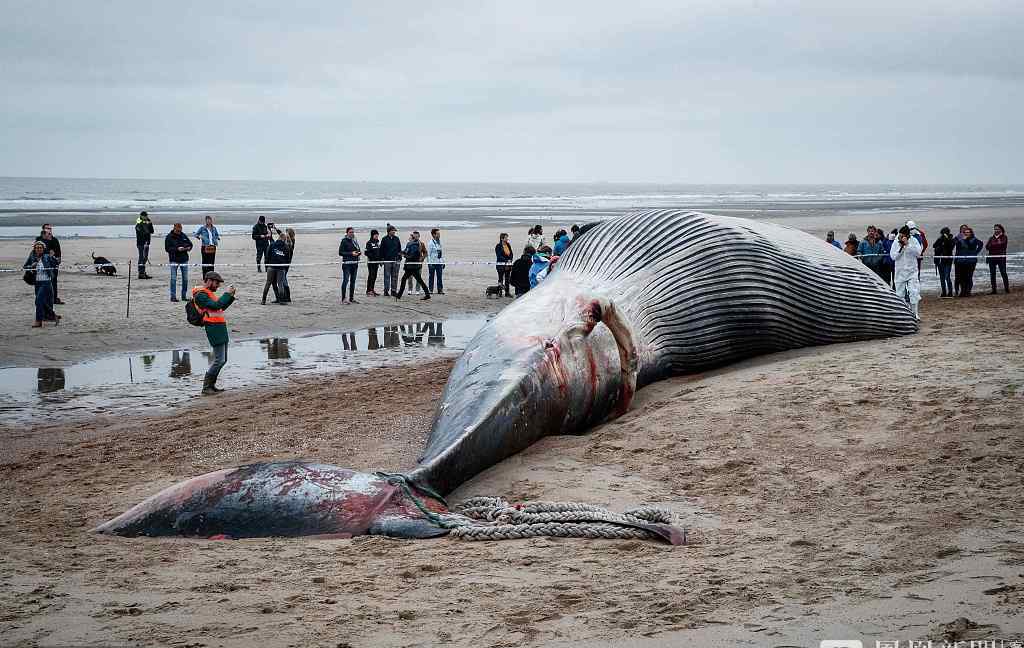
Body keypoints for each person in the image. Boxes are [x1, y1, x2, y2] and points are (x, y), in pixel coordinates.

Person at [192, 272, 236, 395]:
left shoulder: (209, 294)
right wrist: (227, 294)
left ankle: (211, 386)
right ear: (209, 281)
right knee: (219, 360)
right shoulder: (200, 295)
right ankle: (206, 387)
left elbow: (219, 307)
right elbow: (217, 305)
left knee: (223, 359)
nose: (217, 286)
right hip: (213, 328)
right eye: (216, 283)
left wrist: (230, 297)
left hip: (219, 327)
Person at [23, 241, 60, 327]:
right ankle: (53, 315)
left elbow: (56, 264)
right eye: (37, 248)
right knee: (39, 302)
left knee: (39, 300)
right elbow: (25, 267)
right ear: (34, 249)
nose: (39, 249)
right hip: (37, 283)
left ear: (43, 249)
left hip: (46, 282)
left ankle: (38, 322)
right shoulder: (32, 257)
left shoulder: (47, 257)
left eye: (40, 248)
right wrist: (31, 266)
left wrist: (53, 257)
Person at [890, 225, 923, 319]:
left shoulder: (914, 241)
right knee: (900, 293)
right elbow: (893, 257)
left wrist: (908, 245)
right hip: (900, 272)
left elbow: (918, 253)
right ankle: (903, 313)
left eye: (903, 235)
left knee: (914, 292)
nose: (901, 237)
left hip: (912, 271)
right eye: (900, 235)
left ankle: (915, 313)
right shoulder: (896, 242)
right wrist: (901, 248)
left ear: (908, 235)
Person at [395, 231, 430, 300]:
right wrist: (400, 252)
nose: (410, 238)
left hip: (413, 266)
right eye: (412, 236)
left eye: (412, 237)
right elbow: (406, 251)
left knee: (405, 279)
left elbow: (412, 256)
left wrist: (404, 255)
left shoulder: (416, 244)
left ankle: (399, 295)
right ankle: (427, 294)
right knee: (419, 280)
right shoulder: (409, 244)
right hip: (411, 266)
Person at [35, 224, 63, 304]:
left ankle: (54, 298)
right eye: (47, 228)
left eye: (50, 228)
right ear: (43, 230)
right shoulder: (39, 239)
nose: (49, 230)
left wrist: (58, 259)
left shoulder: (54, 239)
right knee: (43, 282)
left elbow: (58, 250)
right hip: (43, 264)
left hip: (53, 263)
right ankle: (44, 298)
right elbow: (38, 251)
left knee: (54, 281)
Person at [164, 223, 193, 302]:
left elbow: (190, 244)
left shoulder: (183, 235)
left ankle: (183, 296)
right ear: (174, 229)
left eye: (180, 230)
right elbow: (167, 249)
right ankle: (173, 296)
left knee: (185, 279)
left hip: (184, 259)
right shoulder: (169, 237)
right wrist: (177, 249)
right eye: (177, 230)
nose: (179, 232)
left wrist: (188, 248)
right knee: (173, 279)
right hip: (174, 260)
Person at [953, 225, 983, 297]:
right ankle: (962, 291)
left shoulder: (974, 239)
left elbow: (979, 244)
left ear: (971, 233)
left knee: (969, 276)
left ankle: (968, 291)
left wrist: (976, 252)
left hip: (971, 261)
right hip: (961, 261)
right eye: (965, 232)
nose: (966, 233)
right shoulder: (960, 239)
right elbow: (957, 247)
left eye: (968, 232)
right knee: (962, 277)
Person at [262, 231, 289, 304]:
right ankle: (281, 300)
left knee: (268, 283)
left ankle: (263, 300)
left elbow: (267, 255)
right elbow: (287, 258)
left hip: (272, 266)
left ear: (279, 237)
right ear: (284, 239)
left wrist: (267, 265)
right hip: (280, 267)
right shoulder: (286, 247)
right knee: (280, 284)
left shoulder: (272, 245)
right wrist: (285, 267)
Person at [338, 227, 361, 304]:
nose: (352, 234)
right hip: (347, 264)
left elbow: (359, 250)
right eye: (350, 232)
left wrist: (358, 253)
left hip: (355, 263)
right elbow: (340, 252)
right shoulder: (344, 241)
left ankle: (351, 298)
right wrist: (351, 253)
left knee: (353, 281)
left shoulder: (355, 241)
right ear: (347, 233)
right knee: (345, 281)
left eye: (353, 232)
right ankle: (343, 299)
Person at [986, 223, 1010, 294]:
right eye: (995, 229)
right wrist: (996, 244)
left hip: (1001, 257)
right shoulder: (991, 237)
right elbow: (987, 247)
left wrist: (993, 245)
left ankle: (1006, 289)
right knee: (992, 274)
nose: (996, 230)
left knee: (1003, 273)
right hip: (992, 257)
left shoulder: (1004, 237)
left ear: (1001, 229)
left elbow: (1002, 245)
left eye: (997, 229)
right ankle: (994, 290)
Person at [932, 227, 956, 298]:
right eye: (943, 233)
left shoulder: (951, 239)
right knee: (942, 278)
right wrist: (940, 240)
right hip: (940, 261)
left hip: (947, 261)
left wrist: (946, 239)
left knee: (947, 277)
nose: (943, 234)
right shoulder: (940, 239)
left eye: (945, 233)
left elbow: (951, 247)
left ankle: (950, 292)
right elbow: (934, 245)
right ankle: (944, 292)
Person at [380, 224, 402, 297]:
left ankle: (393, 291)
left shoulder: (397, 239)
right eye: (393, 231)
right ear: (389, 231)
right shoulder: (384, 239)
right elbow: (381, 250)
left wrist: (399, 258)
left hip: (396, 260)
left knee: (395, 276)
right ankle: (386, 291)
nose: (394, 232)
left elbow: (399, 249)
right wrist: (382, 259)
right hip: (387, 261)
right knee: (387, 276)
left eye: (394, 231)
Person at [135, 211, 154, 279]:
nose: (146, 217)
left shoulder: (148, 221)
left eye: (146, 216)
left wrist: (150, 224)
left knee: (145, 258)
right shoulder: (138, 223)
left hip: (147, 242)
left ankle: (143, 272)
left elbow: (152, 231)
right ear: (141, 216)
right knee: (141, 257)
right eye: (145, 216)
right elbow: (141, 233)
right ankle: (141, 273)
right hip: (141, 243)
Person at [364, 229, 382, 296]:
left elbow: (379, 252)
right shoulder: (369, 243)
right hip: (371, 262)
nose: (377, 236)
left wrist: (380, 260)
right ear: (372, 235)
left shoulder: (377, 243)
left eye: (377, 235)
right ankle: (368, 290)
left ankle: (372, 289)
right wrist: (373, 257)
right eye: (375, 235)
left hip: (376, 263)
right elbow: (366, 253)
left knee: (374, 276)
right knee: (371, 276)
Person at [427, 228, 445, 295]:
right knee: (431, 276)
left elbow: (441, 253)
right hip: (432, 263)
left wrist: (443, 262)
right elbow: (428, 254)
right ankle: (430, 290)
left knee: (439, 276)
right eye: (438, 234)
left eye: (439, 234)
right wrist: (429, 263)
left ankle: (440, 290)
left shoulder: (439, 242)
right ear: (434, 235)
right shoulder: (430, 243)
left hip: (439, 262)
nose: (439, 235)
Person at [495, 232, 513, 297]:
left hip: (508, 265)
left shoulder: (508, 245)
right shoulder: (498, 246)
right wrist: (506, 261)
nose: (507, 239)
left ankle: (507, 292)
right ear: (502, 238)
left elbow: (511, 253)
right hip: (500, 265)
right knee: (500, 279)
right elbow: (499, 256)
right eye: (506, 237)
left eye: (507, 237)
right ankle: (499, 292)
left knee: (507, 279)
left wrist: (510, 260)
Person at [280, 227, 295, 302]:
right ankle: (286, 296)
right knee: (283, 278)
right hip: (287, 262)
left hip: (285, 263)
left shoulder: (289, 244)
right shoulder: (291, 241)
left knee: (283, 278)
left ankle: (287, 296)